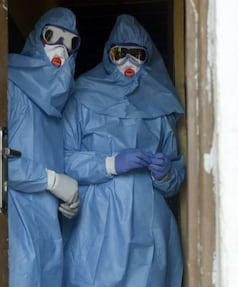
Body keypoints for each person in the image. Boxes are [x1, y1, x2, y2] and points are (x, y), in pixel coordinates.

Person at [61, 14, 186, 287]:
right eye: (121, 53)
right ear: (109, 55)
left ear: (148, 57)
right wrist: (109, 164)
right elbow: (63, 159)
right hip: (95, 222)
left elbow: (175, 177)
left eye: (137, 54)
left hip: (149, 223)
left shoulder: (159, 107)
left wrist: (165, 174)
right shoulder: (82, 97)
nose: (128, 62)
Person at [7, 7, 81, 287]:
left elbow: (59, 159)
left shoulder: (60, 104)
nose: (61, 48)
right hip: (16, 219)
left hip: (48, 227)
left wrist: (69, 196)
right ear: (37, 37)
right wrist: (50, 180)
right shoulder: (10, 84)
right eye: (53, 37)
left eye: (71, 42)